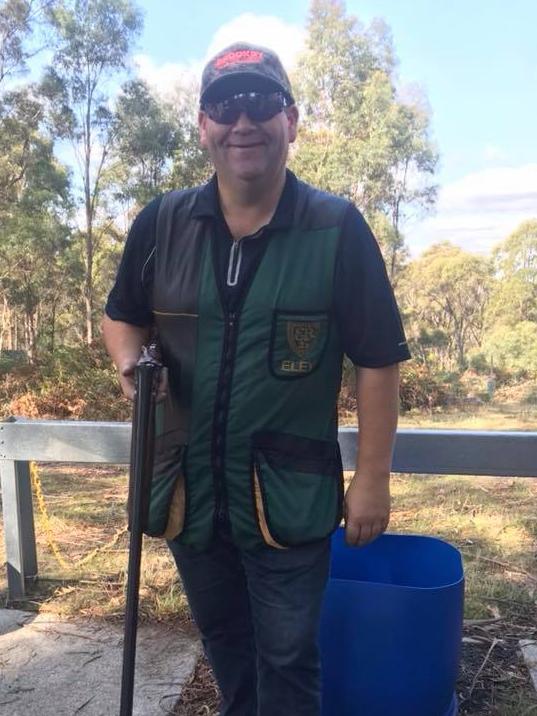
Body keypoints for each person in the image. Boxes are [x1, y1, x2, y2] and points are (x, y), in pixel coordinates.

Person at [103, 42, 411, 716]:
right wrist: (131, 367)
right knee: (224, 641)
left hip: (287, 495)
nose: (242, 122)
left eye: (260, 103)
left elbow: (377, 360)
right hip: (188, 490)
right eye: (224, 105)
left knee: (288, 652)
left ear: (291, 120)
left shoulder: (336, 228)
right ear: (203, 125)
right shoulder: (160, 222)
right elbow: (122, 318)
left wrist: (372, 478)